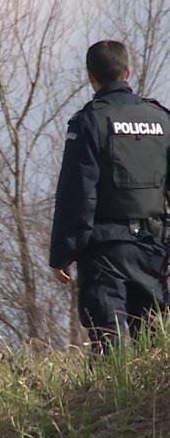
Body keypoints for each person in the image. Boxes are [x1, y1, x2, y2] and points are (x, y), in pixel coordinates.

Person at [50, 40, 170, 355]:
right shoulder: (162, 119)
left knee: (108, 345)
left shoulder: (89, 121)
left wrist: (62, 253)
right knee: (154, 347)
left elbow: (77, 193)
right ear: (127, 72)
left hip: (105, 252)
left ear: (91, 77)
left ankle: (109, 388)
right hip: (154, 250)